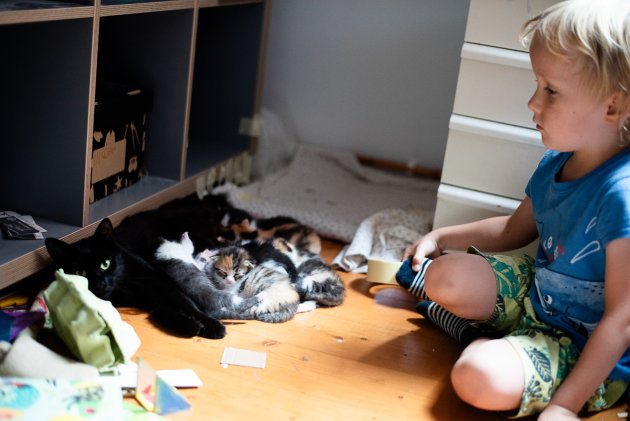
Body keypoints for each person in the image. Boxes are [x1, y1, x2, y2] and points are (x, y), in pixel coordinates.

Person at [396, 0, 630, 418]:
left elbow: (622, 320)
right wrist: (441, 237)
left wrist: (565, 406)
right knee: (443, 275)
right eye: (537, 85)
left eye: (551, 91)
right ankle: (485, 331)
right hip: (537, 296)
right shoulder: (558, 162)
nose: (533, 102)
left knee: (476, 378)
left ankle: (475, 338)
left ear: (612, 106)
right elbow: (512, 230)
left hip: (585, 347)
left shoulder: (622, 195)